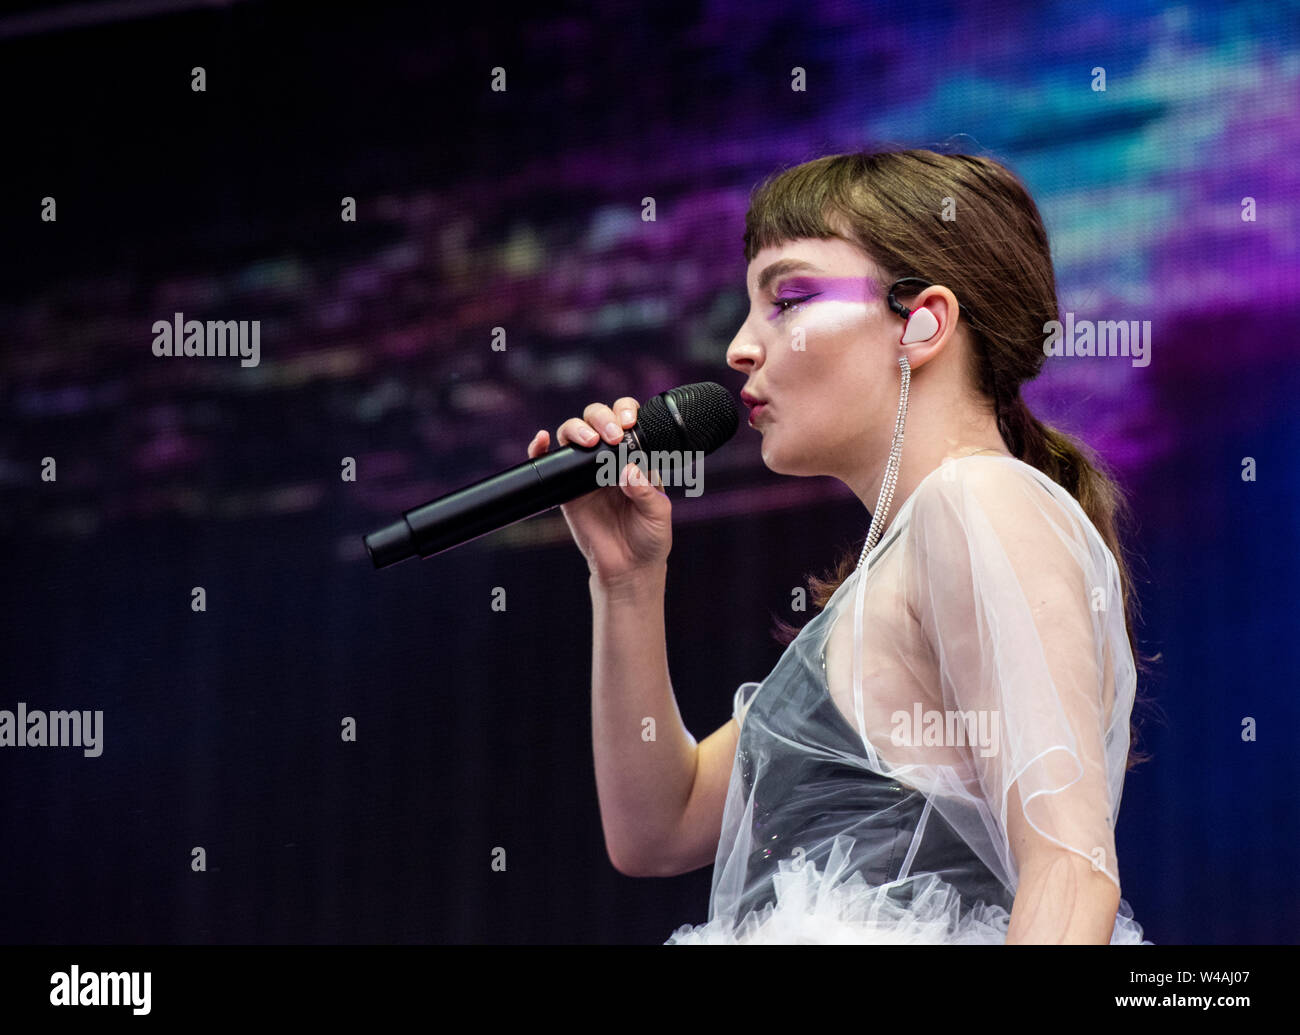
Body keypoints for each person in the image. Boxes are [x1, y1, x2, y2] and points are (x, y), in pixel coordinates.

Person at [526, 149, 1151, 944]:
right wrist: (625, 581)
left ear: (922, 323)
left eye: (788, 298)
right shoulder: (904, 554)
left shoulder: (979, 501)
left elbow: (1071, 868)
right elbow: (661, 825)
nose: (740, 348)